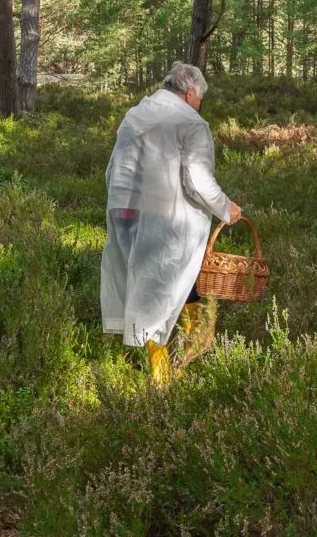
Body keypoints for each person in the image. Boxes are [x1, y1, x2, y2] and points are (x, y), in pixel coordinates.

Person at [101, 62, 242, 384]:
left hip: (126, 214)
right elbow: (198, 181)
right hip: (169, 222)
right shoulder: (190, 122)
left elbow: (115, 169)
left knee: (148, 290)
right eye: (200, 98)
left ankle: (168, 366)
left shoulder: (135, 114)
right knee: (173, 286)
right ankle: (176, 367)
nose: (200, 104)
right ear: (190, 92)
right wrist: (226, 208)